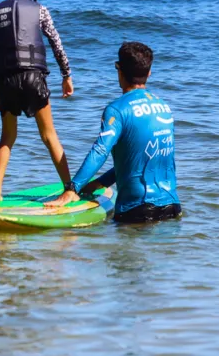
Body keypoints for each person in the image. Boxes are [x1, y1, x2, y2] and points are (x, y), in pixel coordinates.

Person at [46, 41, 180, 223]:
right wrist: (100, 183)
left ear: (119, 70)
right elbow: (142, 159)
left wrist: (73, 188)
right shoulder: (164, 107)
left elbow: (100, 151)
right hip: (172, 208)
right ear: (149, 72)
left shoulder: (116, 111)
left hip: (136, 211)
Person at [0, 0, 74, 203]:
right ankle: (70, 189)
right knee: (49, 136)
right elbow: (56, 44)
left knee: (7, 138)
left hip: (6, 81)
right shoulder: (40, 10)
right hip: (34, 79)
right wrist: (66, 75)